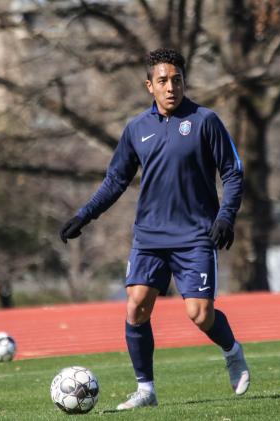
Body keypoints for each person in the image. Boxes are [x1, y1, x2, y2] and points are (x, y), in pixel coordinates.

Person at [59, 48, 249, 410]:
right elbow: (115, 180)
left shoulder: (205, 121)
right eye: (162, 80)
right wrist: (84, 214)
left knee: (199, 315)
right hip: (149, 236)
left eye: (176, 80)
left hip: (195, 234)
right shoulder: (136, 129)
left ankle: (232, 351)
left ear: (184, 82)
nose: (170, 87)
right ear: (150, 85)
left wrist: (226, 215)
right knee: (136, 307)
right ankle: (146, 389)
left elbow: (233, 172)